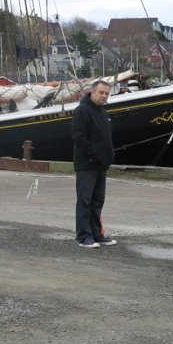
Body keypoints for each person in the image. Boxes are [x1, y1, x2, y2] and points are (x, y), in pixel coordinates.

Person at [71, 80, 117, 248]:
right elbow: (78, 137)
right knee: (85, 200)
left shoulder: (103, 112)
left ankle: (97, 233)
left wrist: (109, 155)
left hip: (101, 164)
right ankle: (84, 236)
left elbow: (105, 138)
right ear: (92, 92)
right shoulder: (82, 111)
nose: (104, 96)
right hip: (87, 164)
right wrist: (92, 155)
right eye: (101, 92)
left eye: (106, 93)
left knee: (98, 201)